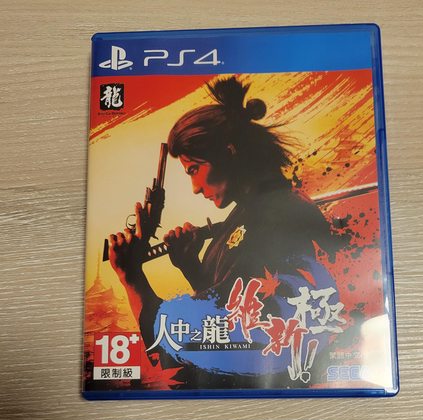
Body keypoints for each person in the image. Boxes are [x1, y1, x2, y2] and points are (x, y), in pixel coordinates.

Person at [108, 76, 340, 388]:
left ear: (229, 152)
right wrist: (191, 266)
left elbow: (188, 344)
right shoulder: (254, 212)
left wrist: (131, 277)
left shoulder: (270, 219)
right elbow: (233, 302)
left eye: (194, 170)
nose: (194, 187)